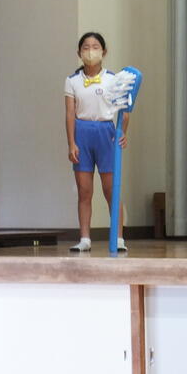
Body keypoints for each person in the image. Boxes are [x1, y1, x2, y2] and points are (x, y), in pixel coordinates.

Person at [64, 32, 128, 252]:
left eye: (95, 47)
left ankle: (118, 238)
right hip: (82, 132)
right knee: (84, 191)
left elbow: (124, 111)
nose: (90, 51)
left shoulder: (113, 79)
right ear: (79, 52)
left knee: (111, 190)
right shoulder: (72, 80)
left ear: (104, 51)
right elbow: (69, 113)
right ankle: (85, 238)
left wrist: (122, 132)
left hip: (106, 132)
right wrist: (71, 143)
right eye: (86, 47)